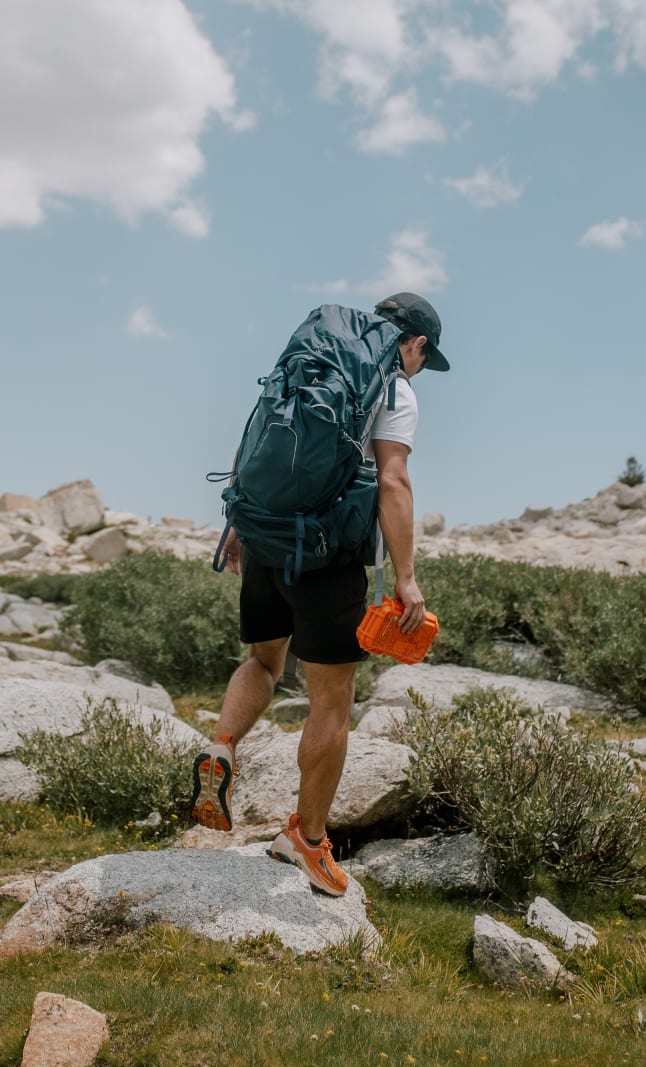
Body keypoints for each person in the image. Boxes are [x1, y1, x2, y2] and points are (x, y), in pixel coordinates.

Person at [190, 292, 451, 896]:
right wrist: (406, 577)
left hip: (265, 536)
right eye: (424, 358)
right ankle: (306, 840)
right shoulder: (393, 388)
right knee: (331, 702)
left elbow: (256, 438)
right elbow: (392, 480)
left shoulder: (307, 360)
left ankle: (223, 746)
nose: (419, 369)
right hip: (328, 555)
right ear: (414, 344)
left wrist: (239, 526)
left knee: (263, 660)